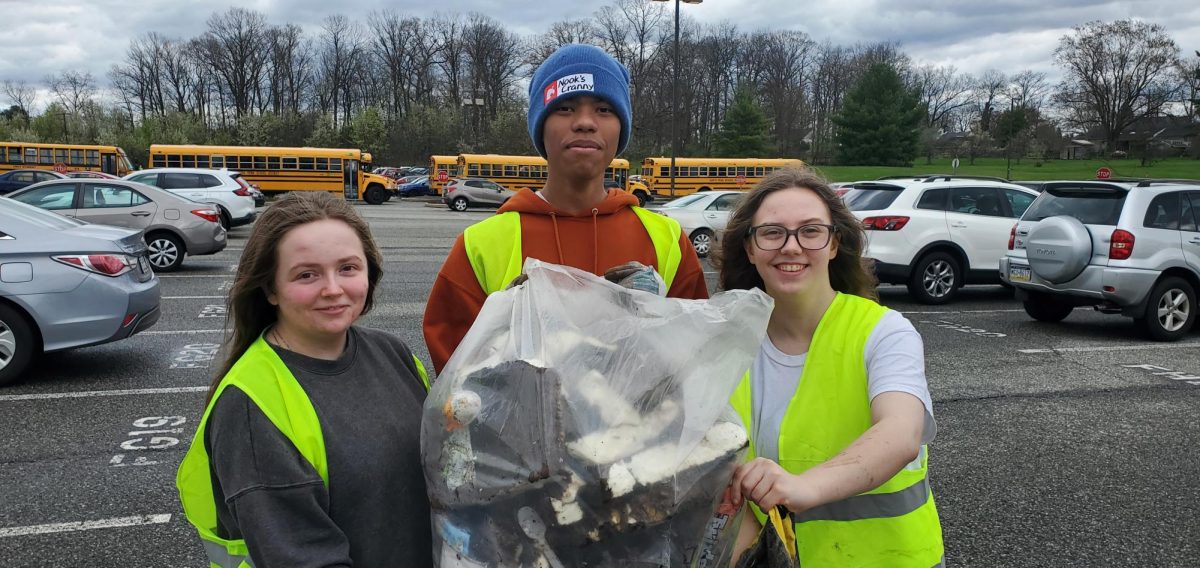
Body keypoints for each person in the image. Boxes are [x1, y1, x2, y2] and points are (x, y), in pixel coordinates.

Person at [176, 191, 433, 567]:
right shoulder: (251, 405)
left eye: (348, 268)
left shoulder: (393, 353)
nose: (333, 289)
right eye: (307, 274)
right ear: (270, 289)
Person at [423, 43, 709, 374]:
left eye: (604, 109)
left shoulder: (667, 239)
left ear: (621, 128)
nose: (585, 122)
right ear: (540, 127)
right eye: (565, 108)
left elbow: (695, 358)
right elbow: (458, 381)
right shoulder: (481, 245)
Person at [718, 169, 944, 566]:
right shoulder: (728, 343)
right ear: (750, 248)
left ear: (834, 244)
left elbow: (900, 432)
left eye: (810, 231)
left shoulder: (884, 332)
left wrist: (802, 487)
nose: (791, 247)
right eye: (772, 232)